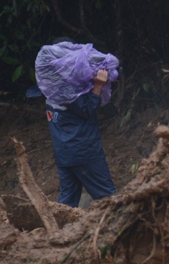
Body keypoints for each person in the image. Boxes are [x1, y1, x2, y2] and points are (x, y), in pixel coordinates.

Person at [45, 67, 117, 208]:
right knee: (108, 198)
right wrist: (98, 86)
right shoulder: (67, 91)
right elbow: (86, 108)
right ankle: (121, 229)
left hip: (63, 154)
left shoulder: (49, 87)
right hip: (84, 152)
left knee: (67, 203)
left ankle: (58, 229)